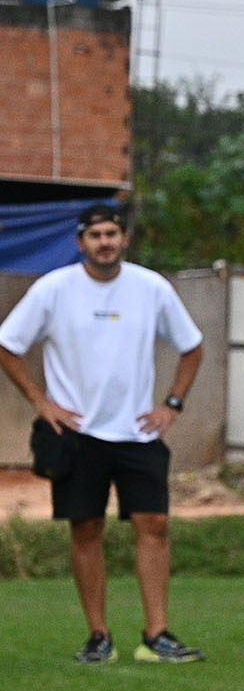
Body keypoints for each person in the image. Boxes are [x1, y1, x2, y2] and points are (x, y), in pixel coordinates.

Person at [0, 202, 208, 664]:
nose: (105, 243)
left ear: (124, 240)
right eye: (95, 236)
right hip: (77, 433)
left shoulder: (151, 288)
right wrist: (41, 401)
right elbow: (8, 345)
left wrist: (171, 404)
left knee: (153, 525)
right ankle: (98, 636)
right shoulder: (53, 289)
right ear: (80, 243)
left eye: (112, 234)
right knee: (86, 528)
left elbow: (192, 346)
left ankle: (157, 635)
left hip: (138, 432)